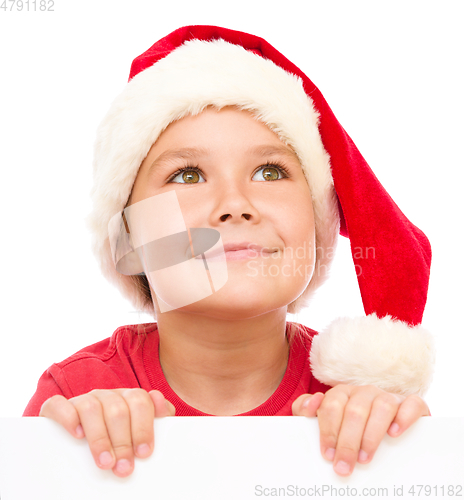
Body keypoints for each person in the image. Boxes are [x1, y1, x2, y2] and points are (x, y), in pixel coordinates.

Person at [23, 25, 435, 479]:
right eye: (187, 176)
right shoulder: (75, 400)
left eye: (270, 171)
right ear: (128, 240)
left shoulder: (361, 406)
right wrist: (61, 456)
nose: (235, 205)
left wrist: (402, 443)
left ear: (320, 226)